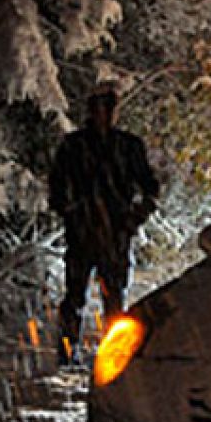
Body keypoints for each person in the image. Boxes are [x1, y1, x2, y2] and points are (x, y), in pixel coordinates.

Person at [49, 82, 160, 364]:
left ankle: (113, 355)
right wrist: (74, 214)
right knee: (75, 296)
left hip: (115, 234)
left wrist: (133, 219)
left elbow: (150, 188)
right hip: (83, 234)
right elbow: (57, 190)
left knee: (114, 300)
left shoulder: (128, 146)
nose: (104, 114)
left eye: (109, 107)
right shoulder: (74, 147)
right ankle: (66, 351)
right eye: (99, 107)